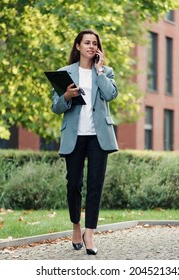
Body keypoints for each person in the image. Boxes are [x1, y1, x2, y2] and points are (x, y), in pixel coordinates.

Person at [51, 29, 118, 255]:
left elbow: (110, 95)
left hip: (99, 137)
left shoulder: (105, 71)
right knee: (73, 185)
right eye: (87, 42)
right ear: (78, 46)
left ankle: (90, 233)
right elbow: (56, 107)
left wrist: (99, 71)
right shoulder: (65, 73)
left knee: (95, 185)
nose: (91, 46)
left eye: (94, 43)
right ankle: (76, 227)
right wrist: (67, 96)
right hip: (75, 135)